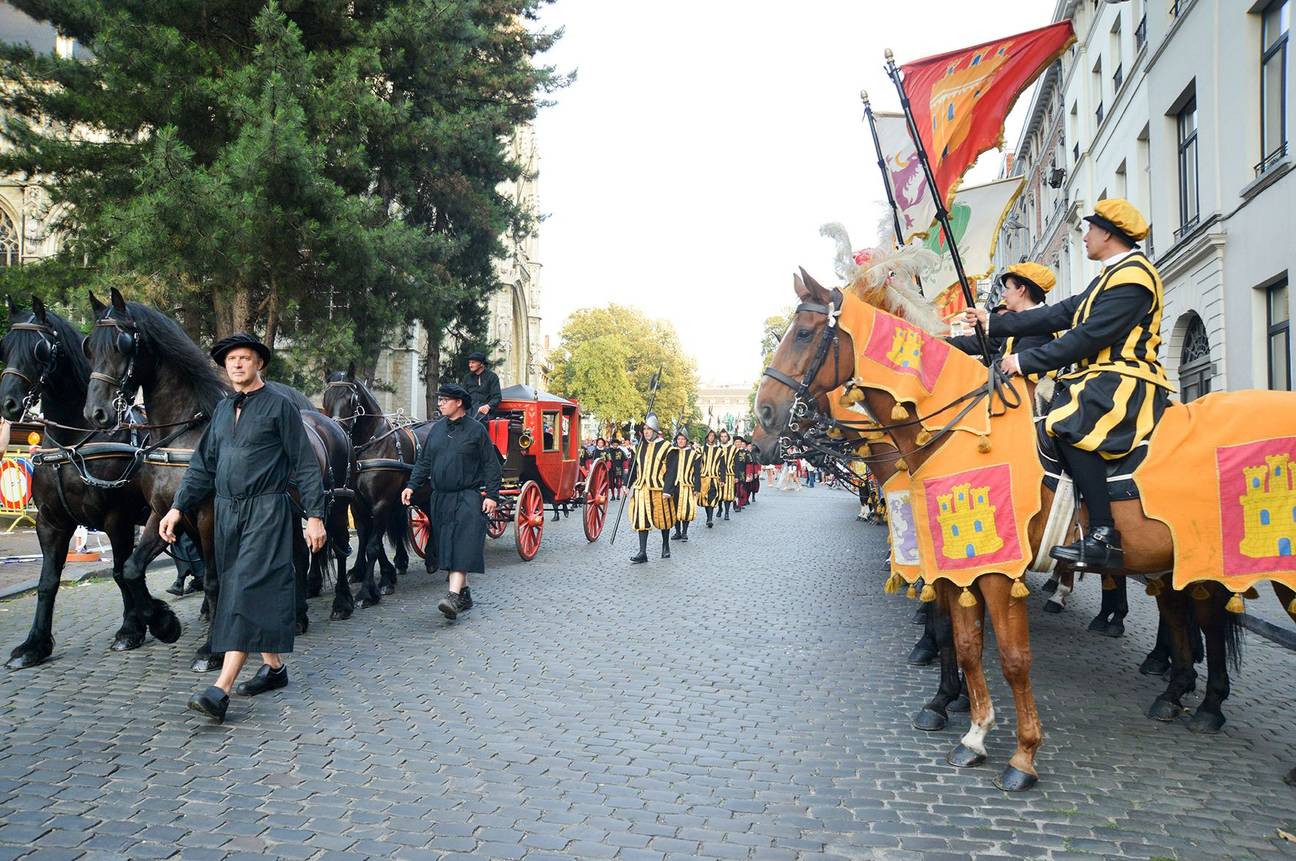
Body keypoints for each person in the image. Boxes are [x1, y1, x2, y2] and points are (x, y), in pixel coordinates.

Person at [962, 199, 1170, 572]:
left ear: (1107, 233)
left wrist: (1024, 361)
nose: (1085, 236)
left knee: (1066, 424)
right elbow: (1062, 312)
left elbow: (1090, 336)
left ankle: (1104, 532)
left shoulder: (1134, 277)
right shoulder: (1110, 275)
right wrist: (993, 324)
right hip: (1097, 376)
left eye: (1090, 229)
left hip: (1124, 377)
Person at [160, 332, 327, 724]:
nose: (237, 364)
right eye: (231, 359)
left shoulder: (279, 407)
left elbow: (304, 463)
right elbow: (202, 467)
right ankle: (275, 668)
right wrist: (177, 507)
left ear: (259, 364)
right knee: (242, 586)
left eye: (245, 358)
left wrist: (315, 516)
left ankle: (221, 689)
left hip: (267, 510)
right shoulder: (221, 411)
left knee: (244, 590)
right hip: (227, 514)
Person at [402, 383, 502, 619]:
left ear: (459, 403)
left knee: (461, 543)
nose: (440, 403)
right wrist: (411, 486)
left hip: (467, 496)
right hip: (440, 497)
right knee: (447, 544)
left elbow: (491, 466)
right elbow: (424, 462)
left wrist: (493, 496)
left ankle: (453, 596)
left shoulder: (477, 431)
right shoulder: (436, 430)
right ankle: (464, 594)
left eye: (445, 400)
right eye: (440, 400)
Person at [949, 261, 1057, 382]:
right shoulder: (1021, 319)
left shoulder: (1041, 323)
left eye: (1007, 288)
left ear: (1021, 290)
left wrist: (970, 366)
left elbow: (1010, 366)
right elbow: (981, 343)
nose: (1003, 294)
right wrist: (942, 342)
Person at [627, 413, 677, 564]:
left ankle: (665, 545)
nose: (646, 432)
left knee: (664, 518)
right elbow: (633, 469)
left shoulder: (667, 447)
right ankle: (642, 552)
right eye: (645, 429)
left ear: (655, 430)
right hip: (641, 487)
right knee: (641, 519)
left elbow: (672, 471)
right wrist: (625, 484)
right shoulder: (639, 447)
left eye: (649, 429)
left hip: (659, 489)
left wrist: (668, 490)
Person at [669, 430, 700, 542]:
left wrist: (697, 487)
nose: (680, 441)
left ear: (686, 441)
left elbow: (697, 472)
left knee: (685, 509)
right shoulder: (672, 452)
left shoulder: (693, 454)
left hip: (687, 486)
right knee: (674, 508)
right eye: (678, 439)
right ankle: (677, 531)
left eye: (682, 439)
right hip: (674, 485)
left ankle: (684, 532)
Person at [461, 350, 501, 422]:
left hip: (486, 413)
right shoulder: (467, 378)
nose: (470, 365)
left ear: (481, 364)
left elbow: (497, 397)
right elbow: (463, 396)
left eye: (473, 362)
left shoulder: (492, 377)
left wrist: (488, 406)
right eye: (469, 362)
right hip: (469, 411)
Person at [698, 429, 726, 528]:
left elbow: (723, 466)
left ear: (715, 438)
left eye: (713, 436)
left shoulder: (719, 451)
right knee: (705, 498)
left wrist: (723, 479)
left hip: (714, 478)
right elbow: (697, 465)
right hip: (704, 478)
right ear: (707, 437)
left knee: (712, 497)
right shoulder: (701, 450)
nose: (711, 437)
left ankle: (710, 518)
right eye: (709, 436)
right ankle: (708, 516)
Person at [717, 430, 737, 520]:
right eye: (721, 436)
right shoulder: (717, 448)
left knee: (728, 494)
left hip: (729, 474)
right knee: (719, 493)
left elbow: (737, 463)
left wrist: (737, 476)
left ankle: (727, 512)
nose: (723, 438)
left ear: (728, 437)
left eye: (725, 436)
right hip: (719, 474)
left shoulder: (733, 449)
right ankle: (720, 508)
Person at [732, 436, 751, 510]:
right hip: (731, 473)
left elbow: (748, 464)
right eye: (736, 442)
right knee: (733, 490)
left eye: (739, 442)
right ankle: (734, 503)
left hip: (741, 473)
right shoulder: (730, 451)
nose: (738, 444)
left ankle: (739, 504)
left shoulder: (745, 453)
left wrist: (749, 475)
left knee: (740, 490)